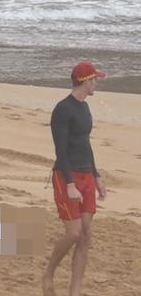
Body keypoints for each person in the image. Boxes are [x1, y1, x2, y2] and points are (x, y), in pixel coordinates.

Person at [42, 61, 108, 296]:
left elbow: (85, 144)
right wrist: (69, 183)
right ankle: (48, 273)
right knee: (73, 233)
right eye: (94, 79)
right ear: (86, 81)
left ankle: (75, 290)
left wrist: (97, 175)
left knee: (86, 233)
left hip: (86, 175)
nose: (96, 83)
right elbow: (61, 149)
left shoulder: (85, 108)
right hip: (66, 175)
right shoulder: (63, 109)